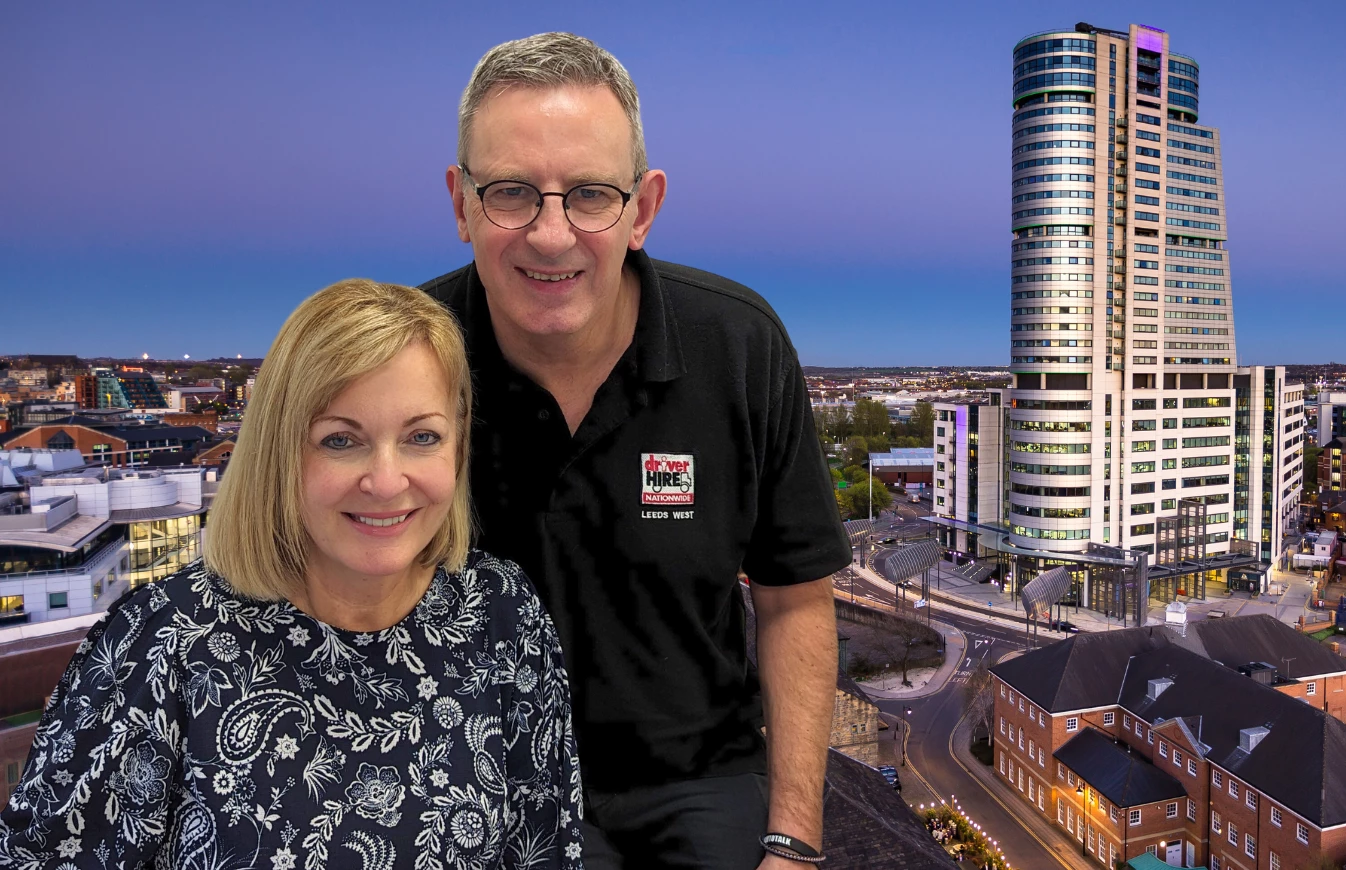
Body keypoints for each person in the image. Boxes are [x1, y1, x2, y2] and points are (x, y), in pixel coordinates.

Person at [422, 33, 849, 869]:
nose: (551, 235)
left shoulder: (738, 345)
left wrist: (794, 843)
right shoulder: (408, 358)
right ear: (460, 202)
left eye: (588, 196)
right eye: (511, 193)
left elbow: (795, 598)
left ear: (643, 209)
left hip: (700, 776)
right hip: (481, 776)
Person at [0, 280, 583, 869]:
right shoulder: (163, 646)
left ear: (459, 448)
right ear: (281, 453)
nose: (386, 482)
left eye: (421, 437)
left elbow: (546, 849)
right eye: (340, 440)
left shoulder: (502, 613)